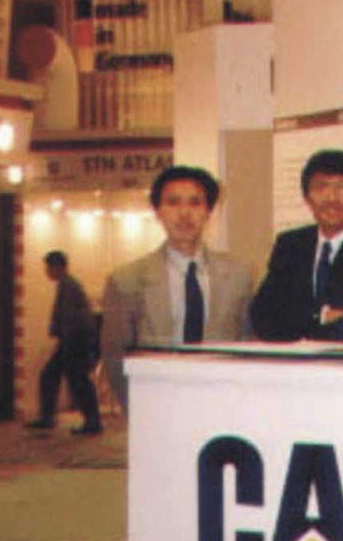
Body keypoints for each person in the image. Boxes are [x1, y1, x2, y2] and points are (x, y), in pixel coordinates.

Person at [101, 166, 254, 411]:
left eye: (195, 203)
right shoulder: (126, 281)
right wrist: (140, 412)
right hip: (156, 407)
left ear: (209, 211)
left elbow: (248, 349)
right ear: (157, 211)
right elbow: (115, 359)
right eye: (173, 203)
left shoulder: (239, 276)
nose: (184, 213)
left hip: (222, 408)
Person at [251, 150, 343, 342]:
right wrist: (322, 317)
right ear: (307, 197)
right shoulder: (290, 245)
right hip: (291, 359)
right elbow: (262, 317)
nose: (332, 198)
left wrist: (300, 319)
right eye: (321, 187)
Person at [26, 251, 102, 434]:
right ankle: (50, 417)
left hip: (76, 341)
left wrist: (64, 341)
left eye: (48, 268)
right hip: (75, 340)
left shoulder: (69, 286)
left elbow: (70, 318)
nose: (47, 272)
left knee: (77, 380)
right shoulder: (67, 285)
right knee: (55, 376)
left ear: (57, 267)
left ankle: (91, 422)